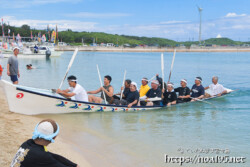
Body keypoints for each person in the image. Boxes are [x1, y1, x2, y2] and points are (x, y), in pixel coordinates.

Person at [10, 119, 79, 167]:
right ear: (54, 137)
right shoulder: (42, 156)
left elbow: (53, 156)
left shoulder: (28, 143)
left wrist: (74, 165)